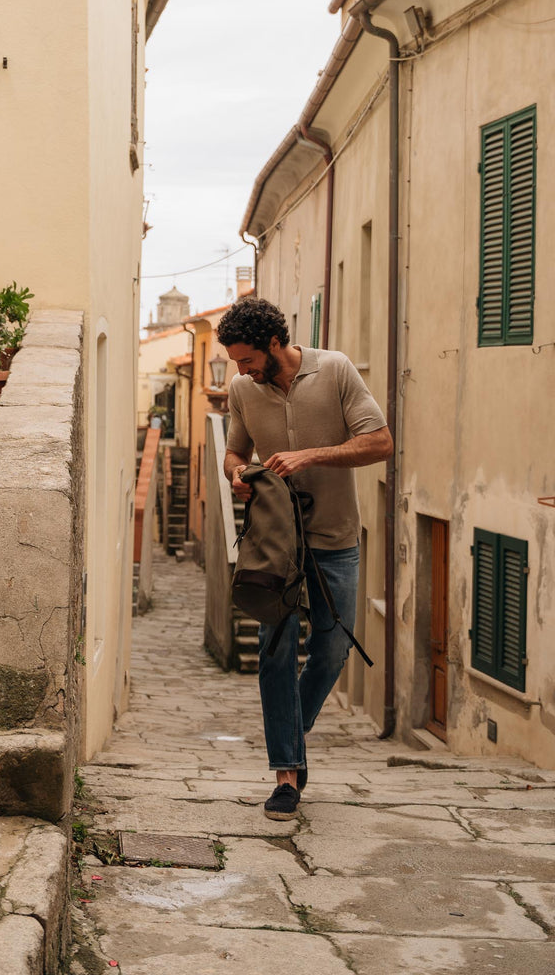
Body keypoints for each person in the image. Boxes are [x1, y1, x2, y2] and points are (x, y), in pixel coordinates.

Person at [216, 297, 392, 821]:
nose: (241, 370)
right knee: (274, 651)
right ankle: (287, 775)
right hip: (275, 542)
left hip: (336, 536)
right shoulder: (242, 390)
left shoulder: (334, 369)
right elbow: (234, 452)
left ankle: (291, 729)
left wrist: (311, 454)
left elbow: (379, 442)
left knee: (333, 649)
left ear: (274, 344)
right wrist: (235, 476)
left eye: (246, 359)